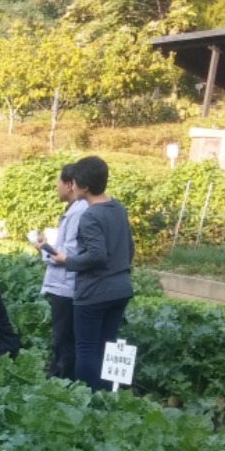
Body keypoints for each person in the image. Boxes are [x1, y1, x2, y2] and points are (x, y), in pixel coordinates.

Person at [50, 155, 135, 391]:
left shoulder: (90, 215)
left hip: (94, 292)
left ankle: (87, 399)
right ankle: (105, 397)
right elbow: (129, 249)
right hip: (120, 290)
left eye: (74, 182)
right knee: (105, 347)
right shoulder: (118, 208)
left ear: (84, 186)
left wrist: (68, 260)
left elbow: (97, 255)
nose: (71, 185)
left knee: (86, 348)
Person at [32, 164, 87, 379]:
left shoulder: (79, 211)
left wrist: (43, 249)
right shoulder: (75, 210)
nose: (56, 187)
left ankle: (62, 384)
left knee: (64, 339)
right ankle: (57, 379)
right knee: (62, 338)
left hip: (67, 286)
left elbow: (69, 254)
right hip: (65, 285)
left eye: (58, 182)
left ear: (70, 184)